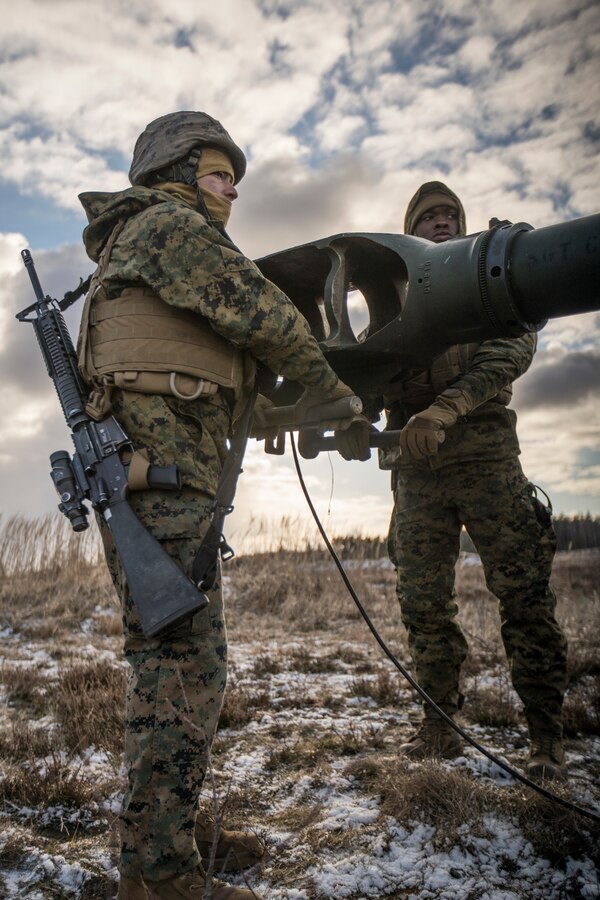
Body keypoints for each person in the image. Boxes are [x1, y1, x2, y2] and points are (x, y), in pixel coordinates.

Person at [76, 111, 360, 900]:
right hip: (164, 491)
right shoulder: (170, 225)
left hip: (164, 486)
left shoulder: (140, 241)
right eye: (218, 170)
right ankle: (160, 877)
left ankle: (160, 852)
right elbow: (260, 310)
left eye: (235, 175)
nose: (233, 186)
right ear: (174, 168)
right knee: (182, 672)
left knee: (170, 669)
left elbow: (206, 365)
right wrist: (330, 387)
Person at [380, 181, 568, 781]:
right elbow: (375, 369)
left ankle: (546, 738)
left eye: (448, 215)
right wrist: (355, 419)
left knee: (524, 596)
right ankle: (440, 726)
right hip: (417, 467)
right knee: (422, 600)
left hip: (485, 456)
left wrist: (446, 408)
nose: (439, 223)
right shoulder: (396, 300)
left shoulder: (491, 285)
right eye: (427, 217)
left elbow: (508, 355)